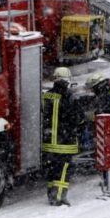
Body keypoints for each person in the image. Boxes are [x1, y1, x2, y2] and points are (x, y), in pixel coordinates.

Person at [42, 67, 84, 206]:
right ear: (67, 80)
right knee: (64, 169)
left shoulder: (47, 95)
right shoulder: (70, 97)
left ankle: (51, 196)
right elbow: (78, 118)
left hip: (49, 142)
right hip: (65, 142)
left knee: (52, 170)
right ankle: (59, 198)